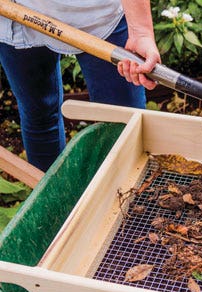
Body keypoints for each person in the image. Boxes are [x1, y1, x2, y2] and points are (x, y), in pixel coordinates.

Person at [0, 0, 160, 171]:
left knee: (123, 120)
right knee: (39, 116)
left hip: (96, 14)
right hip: (13, 15)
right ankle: (52, 194)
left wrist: (141, 32)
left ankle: (132, 192)